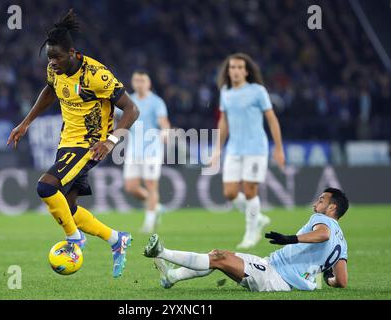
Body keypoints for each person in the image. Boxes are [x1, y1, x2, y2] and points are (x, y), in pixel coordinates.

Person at [6, 9, 139, 278]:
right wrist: (25, 122)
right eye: (49, 58)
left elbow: (132, 110)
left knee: (45, 186)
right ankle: (116, 239)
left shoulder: (96, 76)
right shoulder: (54, 69)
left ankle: (74, 239)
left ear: (73, 53)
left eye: (57, 57)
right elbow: (50, 90)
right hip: (67, 140)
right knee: (69, 207)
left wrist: (109, 142)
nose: (52, 62)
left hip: (91, 144)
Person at [144, 188, 349, 292]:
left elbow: (323, 234)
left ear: (332, 208)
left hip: (276, 277)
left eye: (321, 200)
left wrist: (291, 238)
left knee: (219, 258)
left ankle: (162, 252)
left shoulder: (323, 221)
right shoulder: (343, 243)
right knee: (218, 256)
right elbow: (341, 281)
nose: (316, 203)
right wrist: (327, 276)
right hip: (273, 269)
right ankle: (171, 277)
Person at [211, 53, 286, 249]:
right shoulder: (225, 92)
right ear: (228, 71)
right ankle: (258, 217)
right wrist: (217, 149)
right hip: (234, 149)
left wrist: (278, 148)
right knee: (229, 193)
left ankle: (251, 234)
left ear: (246, 71)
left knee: (251, 190)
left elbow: (271, 119)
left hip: (255, 148)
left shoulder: (258, 91)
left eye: (239, 67)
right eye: (232, 67)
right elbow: (224, 121)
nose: (235, 71)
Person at [116, 70, 171, 233]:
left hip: (152, 150)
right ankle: (156, 206)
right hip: (133, 150)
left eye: (143, 81)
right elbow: (116, 115)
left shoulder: (156, 102)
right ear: (133, 83)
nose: (140, 83)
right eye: (137, 81)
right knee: (131, 187)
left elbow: (164, 121)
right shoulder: (129, 101)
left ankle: (148, 224)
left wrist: (166, 131)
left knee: (151, 185)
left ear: (149, 83)